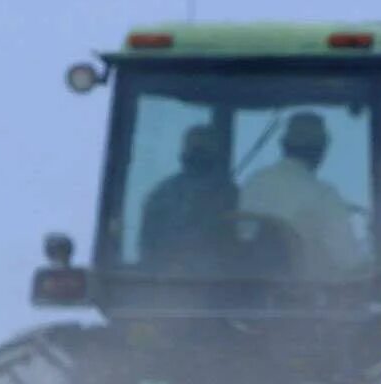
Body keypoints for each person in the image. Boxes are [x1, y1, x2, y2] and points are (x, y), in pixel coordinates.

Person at [239, 111, 364, 277]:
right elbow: (348, 260)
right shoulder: (324, 195)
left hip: (249, 292)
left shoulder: (253, 183)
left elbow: (243, 238)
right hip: (308, 297)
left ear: (283, 145)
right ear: (321, 151)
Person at [139, 124, 235, 271]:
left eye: (204, 150)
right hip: (169, 284)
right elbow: (148, 250)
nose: (199, 156)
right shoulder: (161, 197)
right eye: (196, 150)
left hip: (225, 281)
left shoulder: (232, 196)